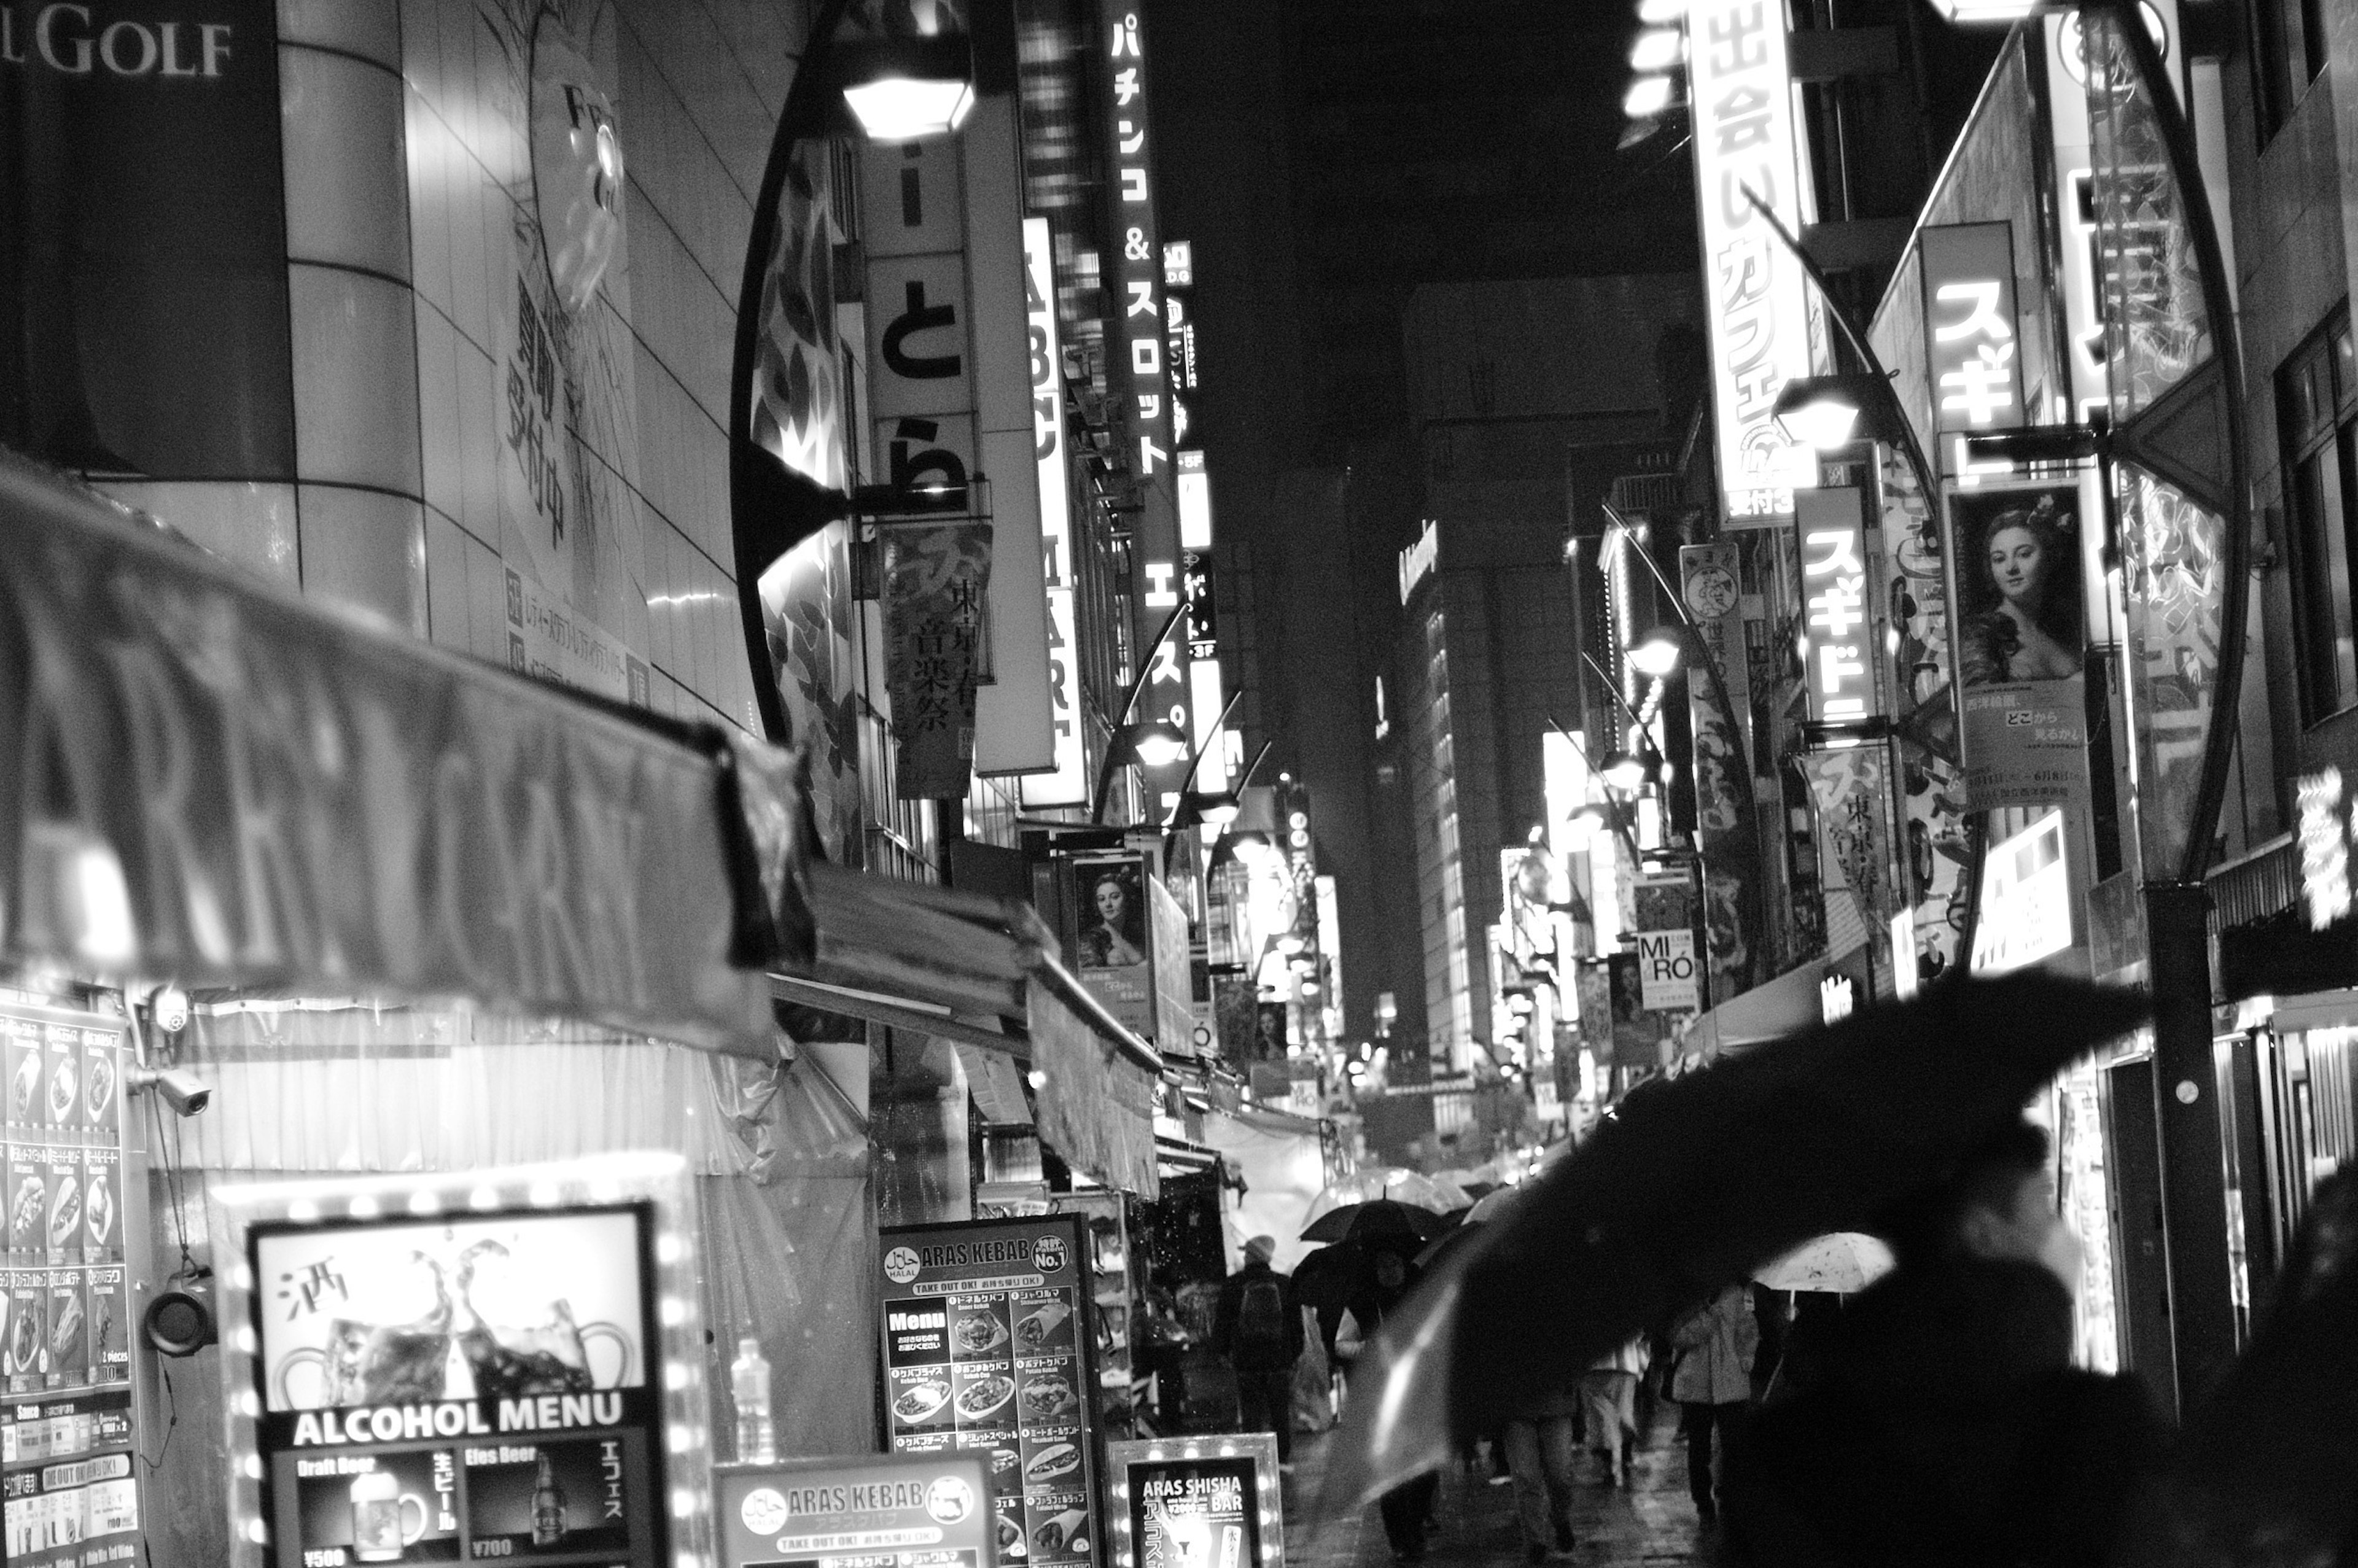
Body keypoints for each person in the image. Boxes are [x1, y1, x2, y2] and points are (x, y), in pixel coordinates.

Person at [1719, 1120, 2165, 1567]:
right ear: (1984, 1232)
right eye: (2043, 1203)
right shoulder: (2097, 1434)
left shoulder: (1780, 1454)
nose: (2063, 1232)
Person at [1336, 1249, 1439, 1565]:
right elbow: (1341, 1343)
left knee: (1425, 1472)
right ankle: (1401, 1538)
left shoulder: (1421, 1297)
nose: (1390, 1271)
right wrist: (1367, 1348)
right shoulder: (1362, 1304)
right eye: (1383, 1265)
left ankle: (1417, 1522)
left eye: (1395, 1263)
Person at [1959, 495, 2082, 686]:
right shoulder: (1983, 635)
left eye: (2024, 554)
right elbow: (1981, 708)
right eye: (1999, 559)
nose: (2011, 568)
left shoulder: (2065, 627)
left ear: (2048, 557)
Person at [1669, 1282, 1757, 1521]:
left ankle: (1730, 1494)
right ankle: (1702, 1501)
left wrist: (1747, 1357)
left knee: (1733, 1444)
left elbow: (1747, 1328)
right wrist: (1709, 1318)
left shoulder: (1736, 1293)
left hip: (1731, 1382)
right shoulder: (1687, 1297)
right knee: (1699, 1447)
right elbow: (1679, 1337)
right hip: (1695, 1385)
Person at [1213, 1236, 1304, 1464]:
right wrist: (1292, 1355)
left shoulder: (1233, 1285)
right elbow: (1296, 1326)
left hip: (1246, 1362)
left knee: (1251, 1414)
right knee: (1279, 1413)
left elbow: (1223, 1324)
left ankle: (1254, 1459)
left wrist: (1223, 1353)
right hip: (1279, 1361)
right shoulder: (1284, 1284)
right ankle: (1281, 1458)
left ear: (1251, 1256)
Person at [1578, 1333, 1648, 1488]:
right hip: (1620, 1366)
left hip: (1601, 1367)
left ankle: (1612, 1463)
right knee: (1613, 1418)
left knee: (1603, 1419)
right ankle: (1617, 1462)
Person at [1080, 872, 1146, 967]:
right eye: (1101, 899)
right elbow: (1089, 977)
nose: (1108, 904)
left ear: (1126, 899)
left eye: (1115, 897)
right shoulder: (1092, 940)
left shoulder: (1137, 935)